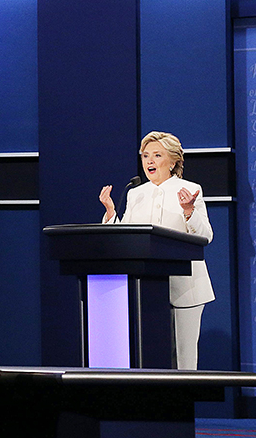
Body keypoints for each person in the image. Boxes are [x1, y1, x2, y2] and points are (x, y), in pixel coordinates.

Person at [98, 131, 214, 370]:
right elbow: (127, 237)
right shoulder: (135, 193)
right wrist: (111, 214)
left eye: (157, 155)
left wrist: (188, 211)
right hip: (146, 287)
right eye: (145, 156)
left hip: (186, 286)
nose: (149, 161)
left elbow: (205, 236)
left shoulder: (190, 189)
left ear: (172, 162)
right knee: (150, 355)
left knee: (185, 359)